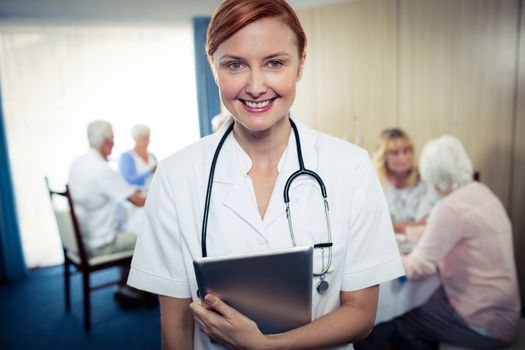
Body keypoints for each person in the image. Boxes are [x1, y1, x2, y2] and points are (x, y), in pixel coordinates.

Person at [127, 1, 404, 349]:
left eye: (274, 63)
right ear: (213, 68)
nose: (256, 86)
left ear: (301, 64)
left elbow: (361, 315)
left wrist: (266, 347)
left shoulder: (351, 167)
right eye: (235, 65)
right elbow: (177, 327)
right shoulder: (175, 176)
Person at [357, 135, 521, 350]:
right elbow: (441, 232)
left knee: (388, 322)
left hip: (483, 321)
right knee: (419, 302)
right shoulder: (481, 192)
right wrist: (410, 235)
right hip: (504, 311)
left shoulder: (450, 208)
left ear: (432, 174)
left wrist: (383, 258)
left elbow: (419, 267)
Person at [68, 120, 149, 305]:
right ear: (106, 142)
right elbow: (137, 201)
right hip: (101, 242)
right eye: (112, 139)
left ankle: (126, 281)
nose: (114, 143)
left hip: (85, 235)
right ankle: (135, 288)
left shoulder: (77, 163)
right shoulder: (101, 169)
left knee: (131, 224)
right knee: (150, 235)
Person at [372, 128, 439, 234]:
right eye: (395, 153)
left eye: (406, 151)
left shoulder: (425, 182)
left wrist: (391, 226)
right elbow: (371, 225)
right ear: (383, 157)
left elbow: (426, 225)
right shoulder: (375, 185)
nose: (402, 157)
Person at [118, 124, 157, 191]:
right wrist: (150, 171)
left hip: (154, 192)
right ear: (135, 138)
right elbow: (127, 181)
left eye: (148, 137)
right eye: (144, 138)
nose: (147, 141)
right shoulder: (126, 157)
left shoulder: (152, 156)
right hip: (138, 196)